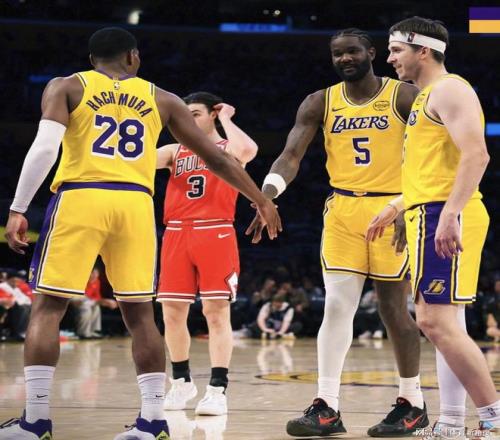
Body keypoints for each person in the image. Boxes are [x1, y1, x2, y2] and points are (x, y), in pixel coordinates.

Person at [0, 27, 280, 440]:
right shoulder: (163, 98)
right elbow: (218, 159)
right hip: (135, 204)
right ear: (133, 57)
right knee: (140, 315)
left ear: (92, 59)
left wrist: (19, 207)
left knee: (48, 307)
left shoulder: (67, 86)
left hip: (82, 196)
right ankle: (152, 422)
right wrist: (261, 200)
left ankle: (36, 421)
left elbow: (44, 149)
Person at [247, 28, 430, 437]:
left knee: (393, 309)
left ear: (371, 53)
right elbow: (290, 155)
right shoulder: (320, 101)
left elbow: (428, 156)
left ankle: (413, 402)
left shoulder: (403, 95)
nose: (344, 59)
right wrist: (267, 195)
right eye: (337, 54)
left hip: (392, 209)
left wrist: (407, 204)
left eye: (352, 52)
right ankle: (326, 405)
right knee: (336, 306)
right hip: (343, 211)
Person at [366, 16, 499, 438]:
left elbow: (477, 155)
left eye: (396, 50)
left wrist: (448, 214)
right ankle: (453, 423)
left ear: (423, 50)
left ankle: (494, 417)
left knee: (434, 321)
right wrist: (398, 205)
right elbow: (433, 171)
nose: (389, 59)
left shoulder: (450, 89)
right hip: (429, 210)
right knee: (445, 325)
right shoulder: (427, 97)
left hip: (443, 213)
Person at [156, 91, 258, 416]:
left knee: (216, 313)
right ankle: (181, 382)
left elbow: (247, 151)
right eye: (185, 114)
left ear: (213, 113)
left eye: (196, 113)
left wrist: (227, 117)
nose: (189, 119)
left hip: (216, 231)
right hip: (176, 233)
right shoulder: (174, 150)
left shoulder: (227, 147)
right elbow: (139, 158)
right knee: (172, 313)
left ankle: (217, 389)